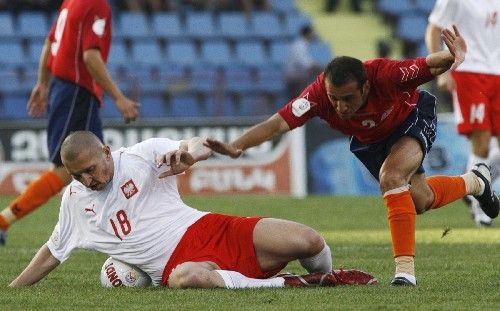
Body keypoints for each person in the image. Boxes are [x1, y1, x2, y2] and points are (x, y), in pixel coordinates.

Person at [205, 25, 500, 286]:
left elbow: (428, 66)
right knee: (419, 200)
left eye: (348, 99)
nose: (339, 107)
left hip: (411, 119)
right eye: (334, 99)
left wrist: (453, 56)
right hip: (372, 141)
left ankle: (404, 272)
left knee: (392, 177)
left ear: (366, 86)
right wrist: (238, 145)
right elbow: (277, 124)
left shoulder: (385, 74)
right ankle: (475, 182)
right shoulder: (317, 96)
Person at [9, 131, 377, 288]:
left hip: (210, 228)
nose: (88, 180)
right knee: (188, 280)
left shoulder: (139, 156)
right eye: (78, 175)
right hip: (177, 266)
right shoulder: (74, 201)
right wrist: (14, 289)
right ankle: (297, 284)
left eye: (91, 169)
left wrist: (189, 154)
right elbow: (51, 252)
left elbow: (194, 144)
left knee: (309, 241)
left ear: (106, 151)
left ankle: (328, 276)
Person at [0, 0, 140, 245]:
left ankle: (116, 229)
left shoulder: (72, 2)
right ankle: (3, 221)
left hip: (63, 87)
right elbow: (90, 56)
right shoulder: (97, 5)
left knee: (99, 163)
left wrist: (44, 83)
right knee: (70, 168)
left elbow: (50, 42)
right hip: (77, 91)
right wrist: (119, 98)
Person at [425, 0, 500, 227]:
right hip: (469, 71)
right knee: (482, 140)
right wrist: (442, 70)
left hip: (497, 71)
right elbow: (434, 28)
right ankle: (481, 208)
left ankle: (471, 185)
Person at [285, 25, 323, 99]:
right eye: (312, 33)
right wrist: (321, 67)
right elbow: (306, 64)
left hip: (297, 72)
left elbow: (308, 62)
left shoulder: (302, 44)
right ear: (308, 34)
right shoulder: (299, 45)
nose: (314, 35)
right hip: (292, 74)